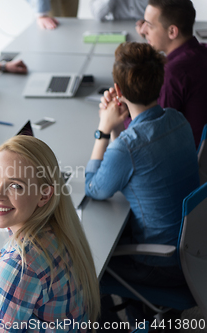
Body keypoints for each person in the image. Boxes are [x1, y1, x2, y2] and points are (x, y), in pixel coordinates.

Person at [86, 42, 199, 324]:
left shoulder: (129, 147)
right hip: (191, 252)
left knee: (88, 268)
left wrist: (102, 129)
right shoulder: (177, 119)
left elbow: (95, 188)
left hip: (161, 265)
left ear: (119, 91)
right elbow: (125, 160)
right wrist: (115, 127)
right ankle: (143, 318)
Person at [0, 135, 100, 332]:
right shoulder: (56, 229)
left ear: (44, 195)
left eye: (15, 186)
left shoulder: (20, 264)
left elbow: (23, 273)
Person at [137, 0, 207, 147]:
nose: (143, 30)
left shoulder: (172, 73)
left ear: (172, 32)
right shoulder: (202, 52)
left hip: (185, 160)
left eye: (149, 25)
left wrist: (125, 110)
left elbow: (153, 136)